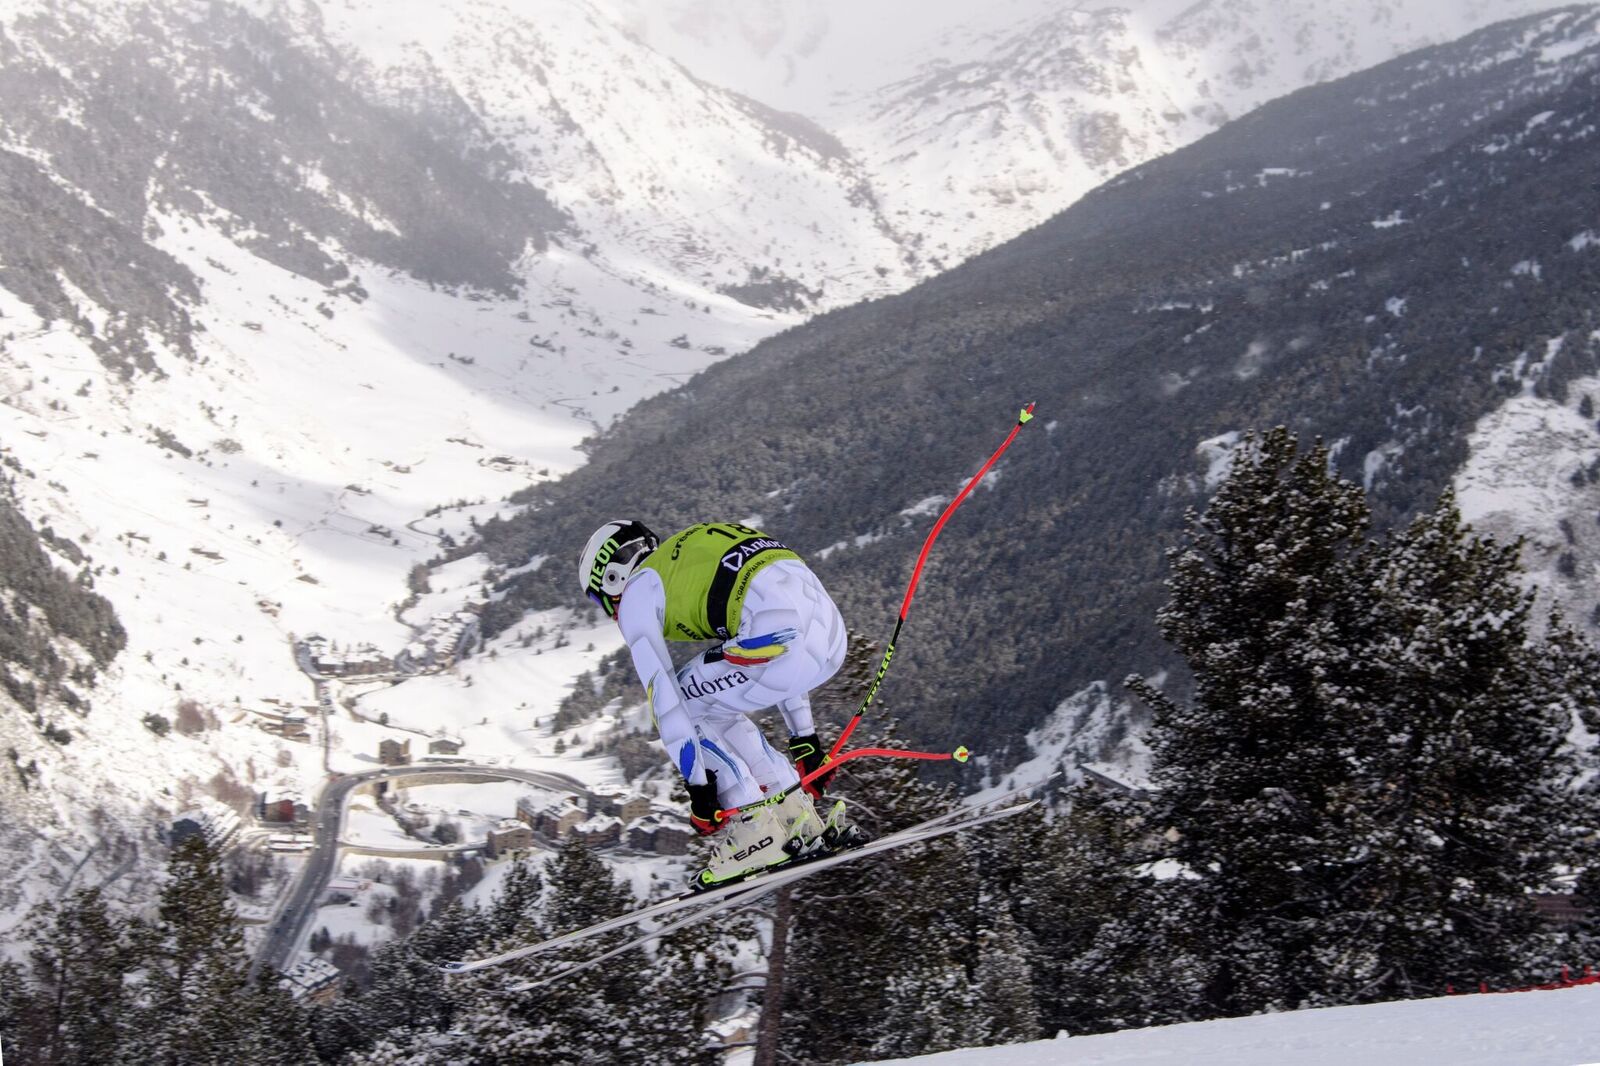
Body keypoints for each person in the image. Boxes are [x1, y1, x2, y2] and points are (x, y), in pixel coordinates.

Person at [578, 519, 850, 883]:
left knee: (684, 701)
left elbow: (664, 696)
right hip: (833, 644)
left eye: (600, 599)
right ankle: (791, 809)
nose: (610, 611)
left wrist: (700, 789)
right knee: (711, 701)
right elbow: (791, 627)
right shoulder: (687, 553)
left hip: (781, 647)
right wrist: (806, 738)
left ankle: (753, 826)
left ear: (611, 577)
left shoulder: (639, 591)